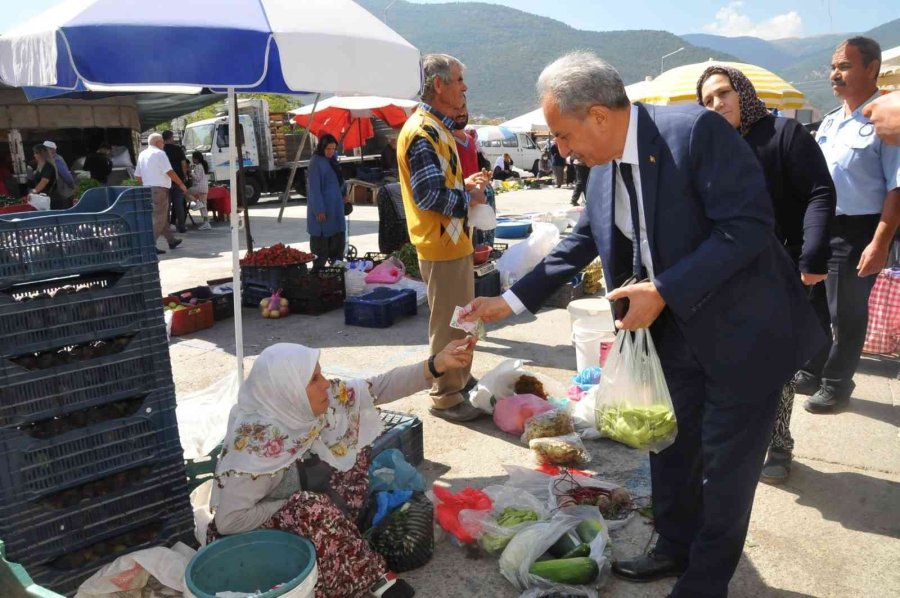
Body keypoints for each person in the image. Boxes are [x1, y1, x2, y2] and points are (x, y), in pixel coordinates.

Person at [461, 51, 824, 598]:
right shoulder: (603, 169)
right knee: (670, 448)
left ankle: (704, 582)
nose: (559, 149)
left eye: (562, 134)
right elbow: (575, 246)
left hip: (741, 333)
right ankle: (673, 546)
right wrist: (508, 302)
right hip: (670, 335)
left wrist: (664, 289)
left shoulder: (695, 133)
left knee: (726, 469)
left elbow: (747, 227)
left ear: (598, 117)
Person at [209, 336, 475, 598]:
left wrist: (435, 365)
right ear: (288, 390)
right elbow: (229, 522)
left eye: (320, 374)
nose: (325, 383)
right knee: (310, 508)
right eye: (314, 379)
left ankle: (338, 533)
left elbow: (376, 388)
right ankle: (366, 575)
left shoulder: (304, 404)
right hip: (257, 539)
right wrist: (293, 505)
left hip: (305, 507)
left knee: (353, 444)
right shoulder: (258, 445)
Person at [697, 65, 836, 484]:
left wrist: (812, 256)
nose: (717, 104)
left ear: (743, 92)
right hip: (726, 274)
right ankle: (740, 436)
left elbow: (819, 191)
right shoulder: (707, 149)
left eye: (723, 93)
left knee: (778, 365)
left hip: (781, 270)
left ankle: (778, 444)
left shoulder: (783, 135)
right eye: (707, 100)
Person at [796, 37, 900, 413]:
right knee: (816, 304)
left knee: (847, 311)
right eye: (833, 67)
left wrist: (880, 242)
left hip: (860, 229)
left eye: (843, 66)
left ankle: (838, 383)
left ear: (871, 69)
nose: (833, 74)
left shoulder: (886, 118)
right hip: (822, 226)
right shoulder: (831, 121)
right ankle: (813, 368)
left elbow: (896, 187)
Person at [397, 52, 486, 422]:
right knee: (452, 323)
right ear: (439, 84)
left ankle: (458, 378)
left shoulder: (437, 128)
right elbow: (430, 197)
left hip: (453, 242)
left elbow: (437, 186)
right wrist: (469, 196)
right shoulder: (423, 132)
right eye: (459, 79)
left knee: (463, 319)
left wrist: (463, 185)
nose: (465, 87)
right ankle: (446, 396)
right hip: (442, 245)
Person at [135, 133, 187, 254]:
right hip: (159, 189)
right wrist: (181, 184)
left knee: (161, 217)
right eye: (162, 142)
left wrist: (143, 187)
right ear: (158, 142)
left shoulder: (142, 154)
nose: (163, 144)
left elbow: (138, 175)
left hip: (147, 189)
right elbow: (169, 171)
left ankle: (171, 240)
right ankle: (150, 244)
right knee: (160, 218)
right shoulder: (160, 153)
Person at [453, 104, 495, 248]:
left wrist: (481, 184)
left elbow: (474, 167)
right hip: (457, 201)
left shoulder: (470, 140)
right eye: (456, 108)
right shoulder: (446, 139)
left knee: (475, 241)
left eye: (463, 108)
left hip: (474, 198)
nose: (461, 112)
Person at [307, 134, 348, 268]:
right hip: (323, 211)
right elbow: (314, 189)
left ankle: (336, 272)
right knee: (321, 247)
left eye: (333, 148)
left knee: (337, 242)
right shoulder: (316, 162)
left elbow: (339, 179)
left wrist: (344, 194)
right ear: (322, 147)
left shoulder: (333, 160)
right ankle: (318, 274)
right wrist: (319, 210)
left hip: (336, 208)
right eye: (328, 148)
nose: (331, 151)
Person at [162, 130, 190, 233]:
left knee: (167, 206)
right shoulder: (178, 149)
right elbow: (183, 164)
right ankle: (182, 227)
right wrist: (184, 176)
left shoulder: (161, 150)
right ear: (170, 138)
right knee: (179, 205)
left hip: (165, 181)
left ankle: (167, 227)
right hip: (178, 180)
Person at [29, 144, 70, 209]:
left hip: (51, 199)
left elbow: (44, 181)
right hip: (44, 198)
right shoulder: (40, 166)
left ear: (41, 154)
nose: (34, 155)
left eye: (36, 153)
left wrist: (33, 191)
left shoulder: (48, 166)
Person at [43, 141, 75, 206]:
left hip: (63, 194)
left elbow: (66, 176)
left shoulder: (57, 160)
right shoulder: (48, 160)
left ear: (52, 150)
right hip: (55, 194)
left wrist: (73, 186)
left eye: (45, 149)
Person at [189, 151, 212, 230]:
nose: (192, 159)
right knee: (204, 206)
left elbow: (197, 178)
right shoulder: (204, 165)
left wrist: (191, 172)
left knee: (185, 191)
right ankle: (206, 223)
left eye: (193, 158)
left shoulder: (198, 166)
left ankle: (196, 202)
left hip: (199, 187)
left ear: (196, 159)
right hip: (205, 187)